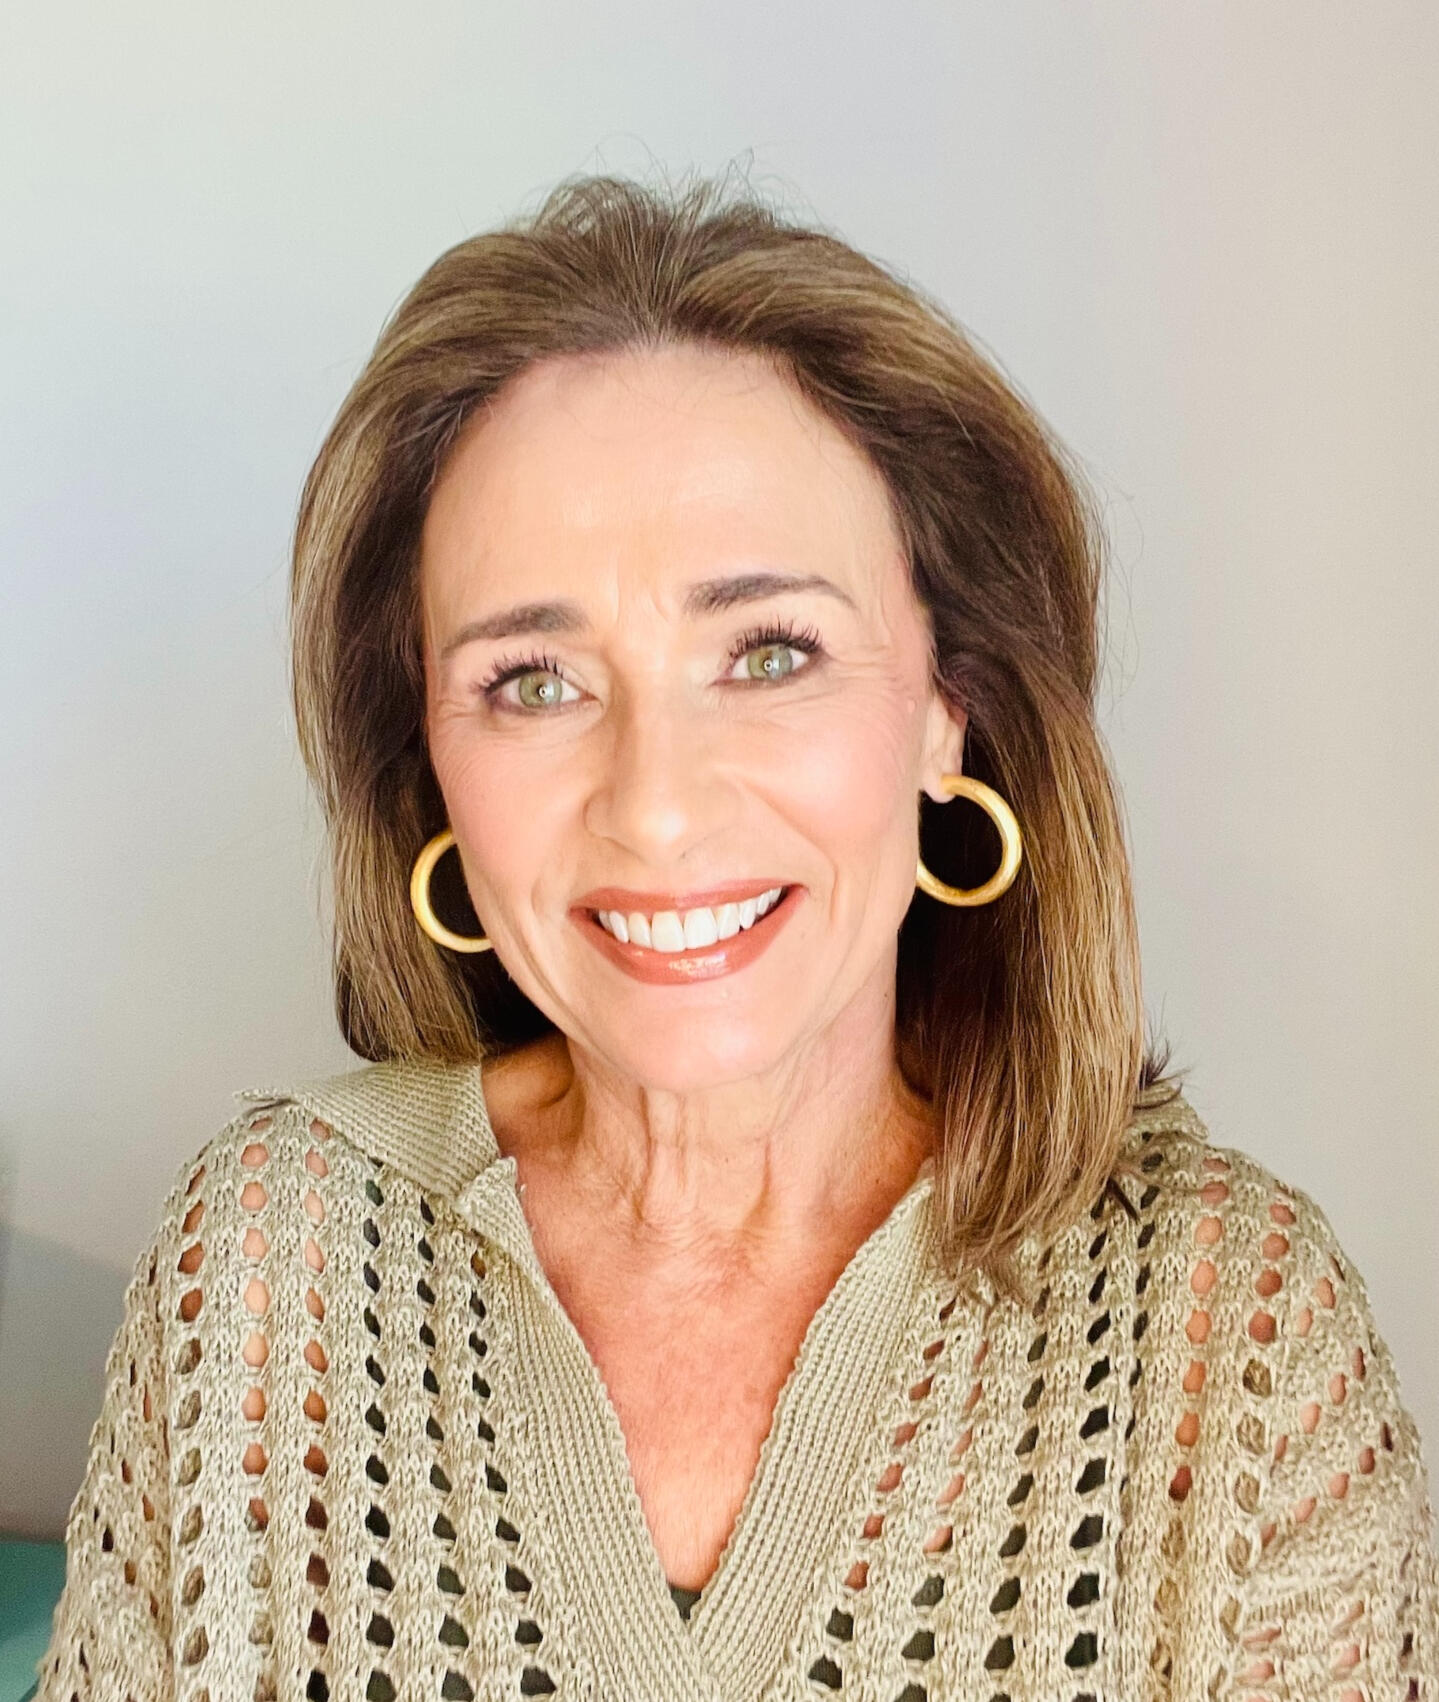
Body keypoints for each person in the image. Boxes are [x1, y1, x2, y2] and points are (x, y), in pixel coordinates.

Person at [37, 172, 1437, 1702]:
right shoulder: (268, 1271)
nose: (656, 807)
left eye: (768, 652)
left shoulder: (1235, 1343)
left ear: (951, 703)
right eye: (532, 680)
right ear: (427, 760)